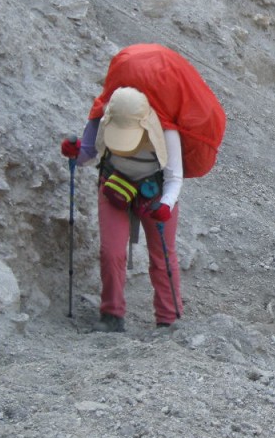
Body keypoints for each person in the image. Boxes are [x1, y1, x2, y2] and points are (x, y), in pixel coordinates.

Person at [60, 86, 184, 332]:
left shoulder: (166, 130)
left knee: (162, 256)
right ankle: (111, 315)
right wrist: (75, 153)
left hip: (156, 190)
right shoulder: (104, 119)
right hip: (114, 183)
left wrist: (166, 205)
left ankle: (168, 319)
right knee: (111, 252)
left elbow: (175, 177)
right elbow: (88, 154)